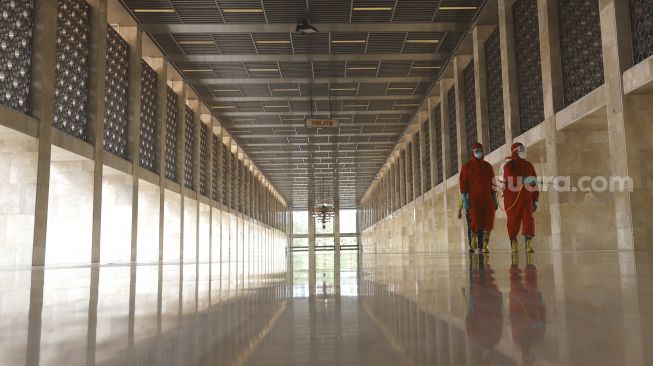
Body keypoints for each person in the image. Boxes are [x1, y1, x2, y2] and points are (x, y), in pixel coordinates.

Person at [460, 142, 498, 253]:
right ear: (473, 152)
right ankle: (475, 240)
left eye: (481, 150)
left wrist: (494, 198)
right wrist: (464, 199)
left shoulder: (488, 166)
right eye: (477, 151)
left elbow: (493, 183)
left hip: (487, 200)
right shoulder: (467, 167)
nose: (479, 153)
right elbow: (463, 184)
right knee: (476, 222)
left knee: (488, 222)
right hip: (474, 200)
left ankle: (485, 245)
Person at [502, 142, 539, 253]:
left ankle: (528, 243)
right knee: (512, 222)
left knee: (529, 220)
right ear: (515, 152)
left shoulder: (529, 165)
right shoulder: (508, 166)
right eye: (520, 150)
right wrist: (523, 179)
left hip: (526, 199)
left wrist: (535, 199)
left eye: (524, 149)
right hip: (512, 200)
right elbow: (510, 178)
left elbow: (535, 183)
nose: (523, 152)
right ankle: (513, 242)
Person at [509, 254, 546, 365]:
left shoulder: (536, 340)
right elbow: (512, 319)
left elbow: (542, 320)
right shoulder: (518, 339)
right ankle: (518, 256)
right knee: (519, 275)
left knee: (526, 275)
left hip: (525, 300)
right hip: (523, 300)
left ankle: (521, 255)